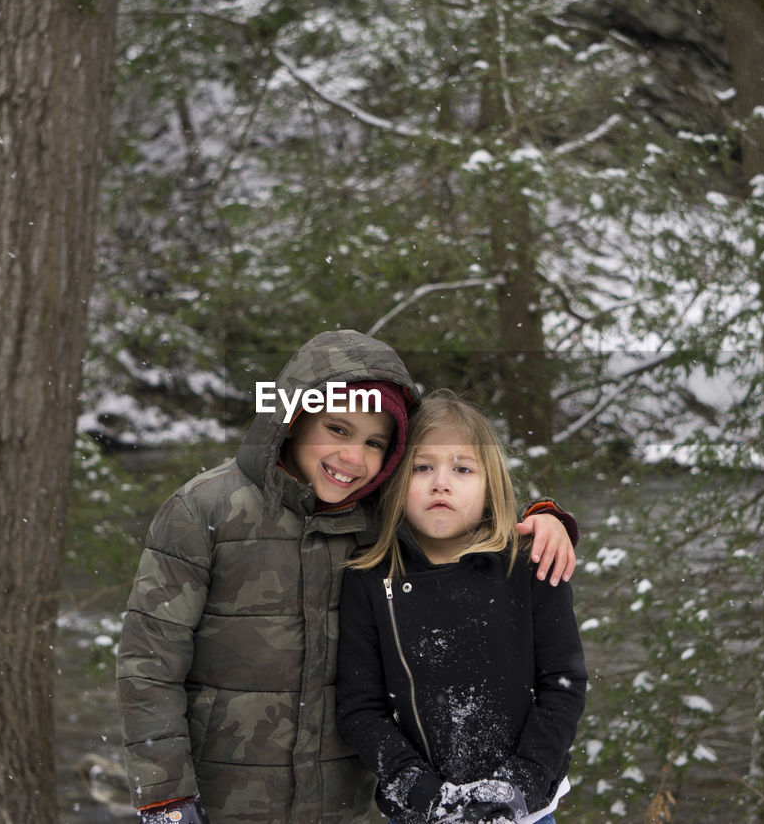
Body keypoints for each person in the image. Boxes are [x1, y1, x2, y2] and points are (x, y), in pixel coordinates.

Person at [117, 331, 578, 824]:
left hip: (341, 799)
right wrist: (166, 795)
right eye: (337, 429)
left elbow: (465, 513)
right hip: (226, 791)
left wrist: (545, 519)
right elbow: (149, 664)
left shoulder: (378, 511)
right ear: (292, 419)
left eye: (375, 443)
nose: (353, 458)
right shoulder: (203, 511)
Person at [336, 390, 587, 824]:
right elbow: (360, 707)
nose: (441, 482)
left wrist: (520, 782)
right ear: (396, 482)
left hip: (523, 810)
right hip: (420, 811)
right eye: (422, 467)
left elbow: (563, 685)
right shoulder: (371, 579)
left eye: (463, 468)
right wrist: (415, 786)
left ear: (491, 486)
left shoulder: (528, 567)